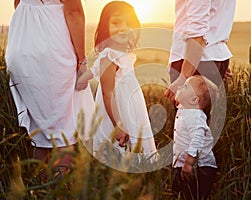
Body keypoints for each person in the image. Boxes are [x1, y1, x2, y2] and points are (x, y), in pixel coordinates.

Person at [5, 0, 94, 180]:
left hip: (20, 44)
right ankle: (58, 190)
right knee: (64, 129)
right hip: (52, 48)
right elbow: (73, 12)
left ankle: (37, 189)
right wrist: (82, 61)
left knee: (42, 130)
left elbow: (17, 2)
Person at [76, 1, 157, 162]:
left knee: (132, 149)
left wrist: (82, 80)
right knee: (119, 151)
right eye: (116, 22)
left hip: (130, 107)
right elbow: (108, 94)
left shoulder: (121, 55)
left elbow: (93, 72)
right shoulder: (109, 57)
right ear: (105, 27)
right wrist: (118, 126)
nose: (123, 27)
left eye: (128, 23)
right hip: (117, 111)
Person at [164, 0, 236, 102]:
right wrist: (218, 56)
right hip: (211, 57)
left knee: (187, 116)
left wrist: (183, 77)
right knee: (203, 116)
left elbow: (197, 34)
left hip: (192, 60)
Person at [172, 75, 218, 200]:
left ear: (193, 100)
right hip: (185, 165)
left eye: (185, 86)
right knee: (178, 191)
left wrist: (189, 163)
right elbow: (179, 103)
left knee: (195, 195)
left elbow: (197, 140)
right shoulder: (186, 109)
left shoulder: (195, 115)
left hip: (199, 167)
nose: (180, 87)